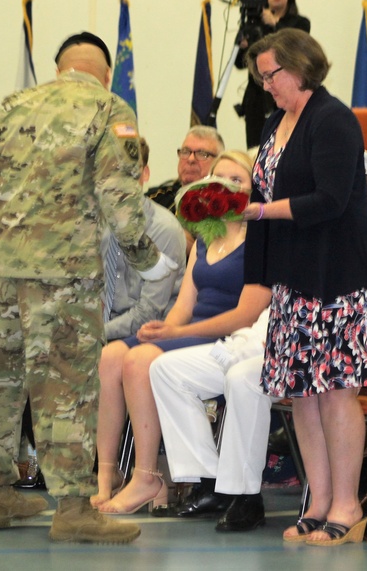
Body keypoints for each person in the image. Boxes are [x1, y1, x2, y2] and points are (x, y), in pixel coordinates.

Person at [0, 31, 175, 545]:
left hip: (4, 270)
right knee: (66, 390)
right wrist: (149, 262)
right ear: (103, 72)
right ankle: (75, 507)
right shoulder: (108, 106)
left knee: (3, 380)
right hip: (64, 276)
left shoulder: (14, 105)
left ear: (60, 68)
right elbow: (119, 196)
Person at [147, 148, 367, 534]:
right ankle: (217, 483)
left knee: (245, 379)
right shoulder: (297, 234)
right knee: (168, 369)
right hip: (269, 342)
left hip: (335, 358)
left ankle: (245, 495)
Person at [241, 29, 367, 545]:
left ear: (300, 67)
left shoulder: (333, 120)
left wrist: (259, 210)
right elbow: (265, 186)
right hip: (296, 278)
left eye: (272, 74)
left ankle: (348, 506)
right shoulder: (274, 122)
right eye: (260, 76)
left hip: (342, 278)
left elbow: (329, 200)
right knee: (300, 396)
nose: (266, 86)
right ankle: (321, 498)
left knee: (335, 394)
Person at [93, 151, 270, 515]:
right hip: (193, 329)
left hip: (229, 338)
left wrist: (173, 334)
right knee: (111, 355)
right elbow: (184, 305)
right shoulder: (205, 238)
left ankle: (148, 476)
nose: (226, 185)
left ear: (253, 190)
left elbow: (243, 317)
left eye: (237, 179)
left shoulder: (260, 241)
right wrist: (166, 328)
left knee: (140, 360)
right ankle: (105, 474)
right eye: (219, 177)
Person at [104, 137, 188, 342]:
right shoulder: (96, 224)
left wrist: (93, 335)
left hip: (147, 333)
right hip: (105, 328)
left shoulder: (163, 230)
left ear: (145, 173)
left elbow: (148, 313)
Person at [235, 0, 311, 149]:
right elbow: (239, 63)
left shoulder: (300, 23)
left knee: (285, 148)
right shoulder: (253, 23)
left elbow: (295, 53)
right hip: (256, 97)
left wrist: (275, 24)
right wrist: (244, 46)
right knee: (255, 149)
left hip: (287, 96)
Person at [145, 126, 224, 212]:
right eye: (185, 152)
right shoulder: (154, 201)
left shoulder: (225, 206)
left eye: (201, 154)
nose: (190, 159)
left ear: (219, 162)